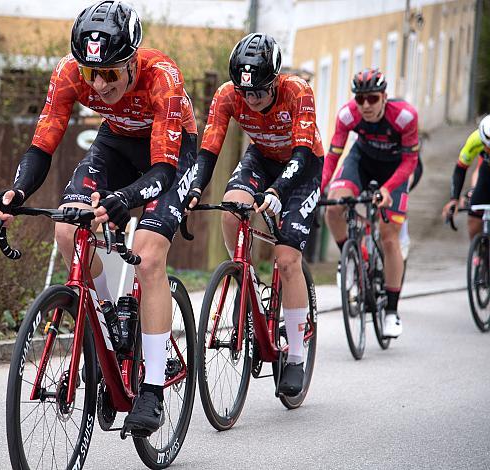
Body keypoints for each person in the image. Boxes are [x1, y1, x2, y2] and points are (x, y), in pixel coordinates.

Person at [0, 0, 198, 436]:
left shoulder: (163, 77)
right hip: (117, 142)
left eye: (110, 74)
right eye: (90, 73)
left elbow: (162, 169)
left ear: (133, 61)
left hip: (172, 154)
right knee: (67, 227)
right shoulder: (70, 71)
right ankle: (107, 320)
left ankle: (153, 388)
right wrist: (17, 192)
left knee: (149, 254)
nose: (99, 85)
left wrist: (126, 197)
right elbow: (43, 144)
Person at [187, 33, 324, 396]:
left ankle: (294, 355)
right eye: (245, 93)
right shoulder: (228, 95)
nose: (251, 100)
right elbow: (210, 146)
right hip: (261, 158)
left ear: (275, 80)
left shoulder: (298, 91)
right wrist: (196, 188)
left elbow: (303, 152)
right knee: (232, 211)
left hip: (302, 166)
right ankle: (243, 285)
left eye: (260, 93)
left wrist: (278, 191)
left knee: (286, 259)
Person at [321, 68, 419, 339]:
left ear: (384, 97)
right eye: (360, 99)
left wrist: (388, 189)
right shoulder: (347, 114)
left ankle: (391, 311)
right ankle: (350, 259)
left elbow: (411, 162)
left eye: (372, 99)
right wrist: (319, 186)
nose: (365, 105)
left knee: (389, 239)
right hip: (361, 162)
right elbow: (333, 155)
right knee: (333, 207)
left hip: (396, 170)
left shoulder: (405, 115)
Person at [441, 116, 490, 240]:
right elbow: (461, 168)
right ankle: (478, 255)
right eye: (486, 146)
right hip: (486, 171)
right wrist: (454, 199)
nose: (488, 150)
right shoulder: (475, 139)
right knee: (474, 221)